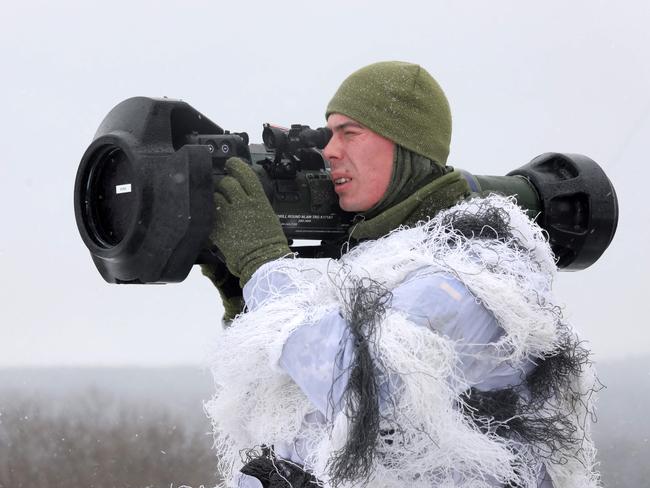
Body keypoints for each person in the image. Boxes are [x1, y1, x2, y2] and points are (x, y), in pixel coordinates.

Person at [202, 62, 600, 488]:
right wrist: (244, 296)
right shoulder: (374, 259)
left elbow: (364, 387)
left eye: (349, 133)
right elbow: (292, 401)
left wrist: (264, 265)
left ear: (406, 147)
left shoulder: (479, 266)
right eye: (329, 134)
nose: (330, 151)